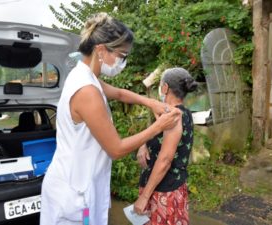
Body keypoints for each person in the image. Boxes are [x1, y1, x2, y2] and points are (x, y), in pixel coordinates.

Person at [40, 13, 181, 225]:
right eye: (121, 55)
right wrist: (158, 127)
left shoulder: (85, 76)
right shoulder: (87, 91)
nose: (123, 62)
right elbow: (115, 149)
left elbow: (120, 94)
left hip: (79, 183)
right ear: (100, 50)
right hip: (74, 194)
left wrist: (151, 103)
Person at [134, 67, 198, 225]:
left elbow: (165, 160)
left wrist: (144, 197)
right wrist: (144, 144)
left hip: (163, 193)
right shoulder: (179, 113)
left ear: (165, 88)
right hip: (170, 187)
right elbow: (157, 134)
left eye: (161, 85)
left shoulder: (173, 117)